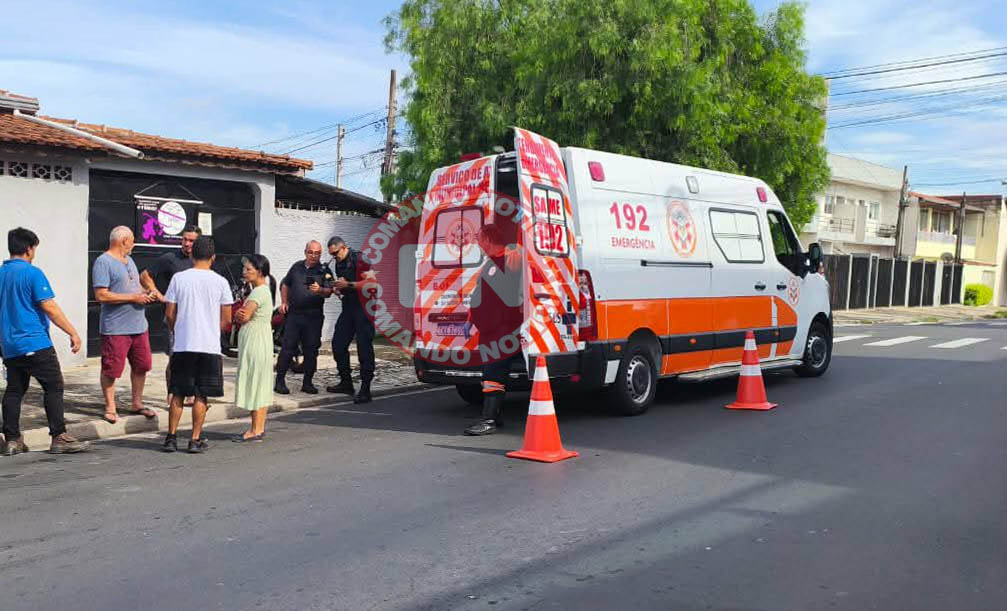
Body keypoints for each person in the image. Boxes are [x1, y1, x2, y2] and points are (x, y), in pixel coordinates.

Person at [0, 227, 90, 455]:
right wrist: (72, 332)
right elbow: (49, 306)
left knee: (14, 390)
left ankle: (12, 440)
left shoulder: (1, 274)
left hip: (10, 346)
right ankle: (59, 436)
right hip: (35, 343)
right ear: (29, 249)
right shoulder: (32, 273)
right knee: (54, 386)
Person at [162, 236, 233, 453]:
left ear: (192, 255)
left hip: (184, 344)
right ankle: (194, 439)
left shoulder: (179, 279)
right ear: (213, 257)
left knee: (178, 392)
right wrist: (212, 330)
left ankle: (171, 437)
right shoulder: (221, 282)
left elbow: (169, 313)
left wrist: (178, 329)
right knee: (201, 394)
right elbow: (227, 319)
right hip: (209, 346)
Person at [92, 226, 157, 424]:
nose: (134, 244)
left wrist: (145, 294)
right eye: (132, 240)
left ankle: (137, 403)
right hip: (116, 328)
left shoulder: (130, 261)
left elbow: (133, 288)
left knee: (142, 365)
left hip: (139, 326)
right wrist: (133, 298)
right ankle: (110, 407)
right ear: (124, 241)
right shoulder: (103, 262)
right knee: (111, 369)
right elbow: (101, 295)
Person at [463, 224, 524, 436]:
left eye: (479, 239)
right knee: (491, 372)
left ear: (488, 239)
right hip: (489, 329)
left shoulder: (511, 258)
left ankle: (489, 420)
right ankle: (493, 416)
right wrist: (470, 320)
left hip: (503, 329)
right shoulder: (488, 265)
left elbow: (524, 260)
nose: (478, 243)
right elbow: (479, 294)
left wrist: (515, 249)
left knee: (493, 373)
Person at [139, 225, 202, 402]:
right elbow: (144, 276)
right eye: (185, 239)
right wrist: (159, 295)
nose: (187, 243)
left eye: (191, 241)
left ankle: (191, 392)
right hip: (174, 316)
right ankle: (172, 393)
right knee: (175, 356)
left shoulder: (202, 261)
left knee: (194, 356)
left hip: (195, 317)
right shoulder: (170, 258)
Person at [274, 241, 331, 395]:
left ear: (320, 254)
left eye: (317, 253)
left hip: (313, 316)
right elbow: (285, 284)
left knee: (311, 350)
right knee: (287, 348)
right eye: (310, 252)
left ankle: (308, 383)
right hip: (295, 315)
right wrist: (284, 302)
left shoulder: (324, 270)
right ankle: (279, 381)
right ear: (305, 252)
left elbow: (329, 291)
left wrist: (320, 290)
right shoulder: (296, 267)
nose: (313, 256)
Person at [325, 236, 376, 404]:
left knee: (364, 347)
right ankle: (346, 383)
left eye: (336, 253)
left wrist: (348, 285)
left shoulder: (361, 259)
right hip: (348, 307)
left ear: (344, 247)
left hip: (364, 307)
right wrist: (338, 289)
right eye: (331, 254)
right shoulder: (338, 263)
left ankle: (365, 389)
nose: (334, 257)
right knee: (338, 345)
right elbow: (344, 285)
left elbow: (371, 283)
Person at [232, 255, 274, 442]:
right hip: (260, 339)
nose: (245, 272)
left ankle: (255, 429)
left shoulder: (258, 292)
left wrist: (238, 315)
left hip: (255, 341)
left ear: (260, 271)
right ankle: (259, 427)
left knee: (256, 382)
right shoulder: (262, 290)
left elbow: (244, 316)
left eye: (249, 269)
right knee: (260, 383)